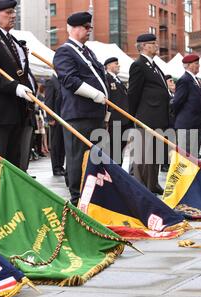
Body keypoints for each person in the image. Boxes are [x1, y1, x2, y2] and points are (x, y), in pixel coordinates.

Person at [0, 0, 37, 225]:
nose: (13, 16)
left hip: (19, 112)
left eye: (14, 12)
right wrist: (15, 88)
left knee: (17, 166)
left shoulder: (14, 41)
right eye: (8, 12)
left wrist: (28, 89)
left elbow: (22, 73)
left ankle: (14, 212)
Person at [53, 11, 108, 205]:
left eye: (89, 28)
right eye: (86, 28)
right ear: (74, 28)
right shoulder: (65, 51)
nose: (88, 31)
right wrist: (94, 94)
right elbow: (69, 79)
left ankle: (94, 195)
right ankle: (77, 197)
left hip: (95, 114)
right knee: (77, 157)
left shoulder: (87, 52)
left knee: (95, 157)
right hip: (79, 114)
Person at [128, 33, 170, 194]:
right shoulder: (138, 65)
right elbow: (133, 93)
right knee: (144, 156)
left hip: (157, 117)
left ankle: (152, 184)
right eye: (152, 43)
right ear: (143, 46)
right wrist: (134, 116)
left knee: (155, 155)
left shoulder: (153, 65)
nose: (156, 45)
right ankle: (142, 187)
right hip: (146, 117)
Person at [171, 54, 201, 159]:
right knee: (185, 156)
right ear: (189, 65)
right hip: (187, 123)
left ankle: (191, 176)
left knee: (192, 156)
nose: (198, 66)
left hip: (195, 122)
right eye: (196, 64)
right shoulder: (185, 80)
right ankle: (183, 176)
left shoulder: (194, 79)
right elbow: (177, 101)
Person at [104, 57, 132, 166]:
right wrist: (107, 118)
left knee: (121, 144)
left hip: (124, 118)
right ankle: (115, 168)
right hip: (115, 118)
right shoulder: (107, 78)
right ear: (109, 66)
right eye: (116, 63)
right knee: (115, 146)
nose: (118, 65)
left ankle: (118, 166)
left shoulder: (118, 80)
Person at [45, 74, 66, 176]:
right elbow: (48, 101)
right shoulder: (51, 81)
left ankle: (61, 165)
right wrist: (50, 117)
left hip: (64, 117)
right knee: (56, 143)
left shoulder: (62, 80)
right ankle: (56, 167)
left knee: (62, 143)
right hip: (55, 118)